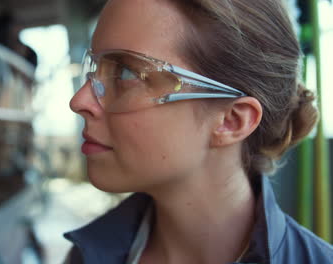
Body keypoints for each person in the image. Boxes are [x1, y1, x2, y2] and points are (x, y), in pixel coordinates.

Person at [65, 0, 333, 263]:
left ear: (232, 120)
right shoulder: (86, 255)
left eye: (125, 74)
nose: (79, 101)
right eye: (96, 68)